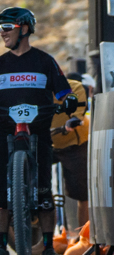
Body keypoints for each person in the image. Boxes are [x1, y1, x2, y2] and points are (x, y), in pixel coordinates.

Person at [0, 6, 75, 255]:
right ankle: (1, 247)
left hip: (38, 132)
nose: (1, 34)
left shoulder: (45, 61)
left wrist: (68, 100)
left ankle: (48, 248)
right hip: (4, 133)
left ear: (24, 29)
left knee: (45, 190)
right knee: (1, 192)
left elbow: (63, 90)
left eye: (6, 28)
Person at [51, 73, 89, 234]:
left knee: (82, 193)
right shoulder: (37, 89)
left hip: (74, 142)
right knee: (40, 187)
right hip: (47, 141)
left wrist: (72, 120)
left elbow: (79, 113)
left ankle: (84, 237)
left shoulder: (75, 87)